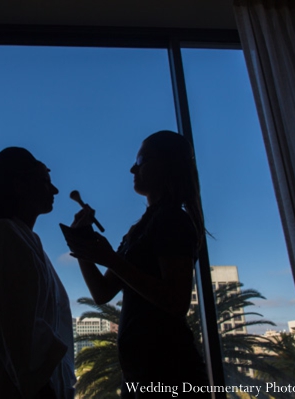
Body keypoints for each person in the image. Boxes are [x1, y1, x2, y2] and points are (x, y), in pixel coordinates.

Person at [64, 131, 209, 397]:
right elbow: (102, 292)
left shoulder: (172, 220)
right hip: (145, 376)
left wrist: (110, 259)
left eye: (141, 159)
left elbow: (177, 302)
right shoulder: (143, 227)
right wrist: (83, 247)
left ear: (166, 164)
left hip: (169, 375)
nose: (133, 168)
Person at [0, 147, 76, 399]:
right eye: (46, 181)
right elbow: (19, 328)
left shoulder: (21, 238)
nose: (55, 190)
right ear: (20, 186)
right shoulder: (6, 236)